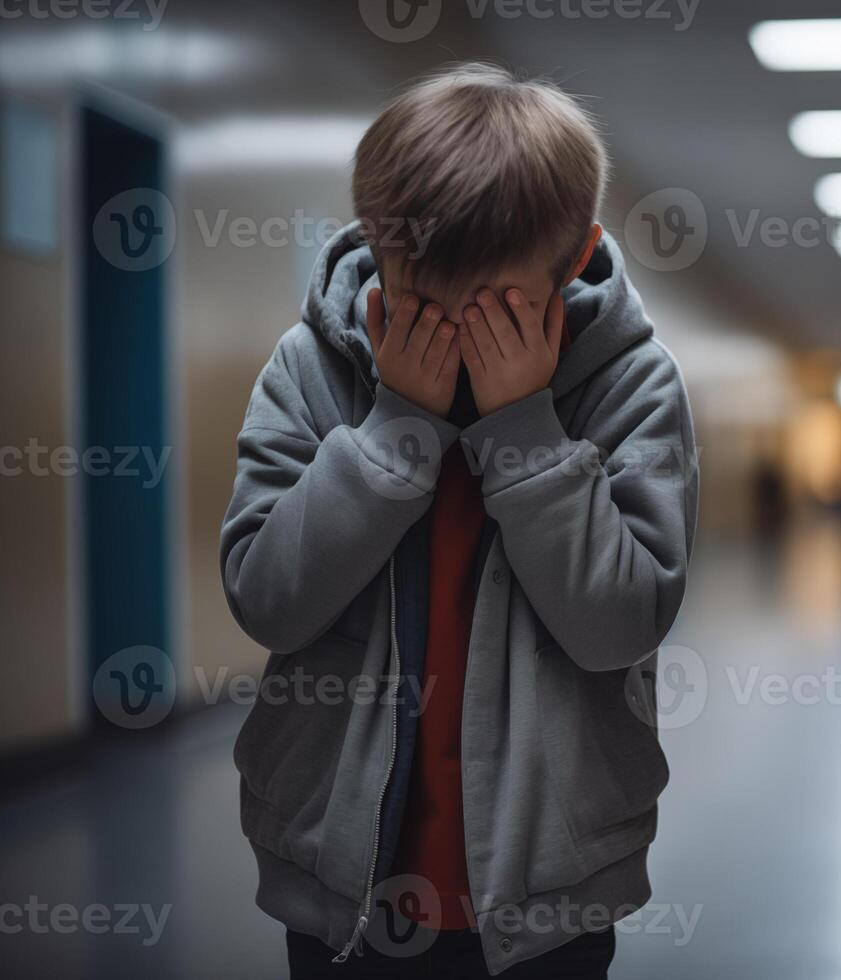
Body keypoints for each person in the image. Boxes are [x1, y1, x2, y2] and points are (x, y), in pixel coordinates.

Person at [219, 63, 698, 978]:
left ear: (575, 258)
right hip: (338, 875)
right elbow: (268, 600)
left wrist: (525, 431)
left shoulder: (633, 382)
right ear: (373, 242)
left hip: (551, 888)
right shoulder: (311, 366)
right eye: (421, 303)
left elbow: (618, 627)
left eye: (496, 310)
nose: (456, 337)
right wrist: (395, 429)